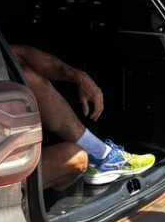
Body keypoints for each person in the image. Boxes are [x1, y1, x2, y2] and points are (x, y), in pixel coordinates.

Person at [9, 44, 155, 188]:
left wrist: (78, 76)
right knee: (76, 159)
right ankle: (99, 155)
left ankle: (101, 155)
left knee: (30, 78)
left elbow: (24, 53)